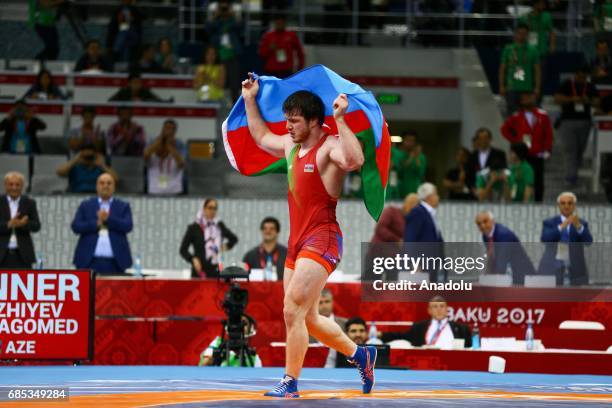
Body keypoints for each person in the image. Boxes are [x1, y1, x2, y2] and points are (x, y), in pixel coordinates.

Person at [240, 73, 376, 398]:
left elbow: (355, 160)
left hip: (323, 238)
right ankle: (361, 355)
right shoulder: (291, 145)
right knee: (309, 318)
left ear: (315, 121)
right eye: (286, 120)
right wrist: (249, 98)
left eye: (294, 121)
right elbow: (259, 136)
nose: (287, 127)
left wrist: (341, 119)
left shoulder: (329, 147)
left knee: (291, 311)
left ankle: (290, 383)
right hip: (298, 243)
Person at [71, 173, 133, 275]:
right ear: (97, 186)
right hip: (89, 260)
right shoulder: (86, 205)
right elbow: (76, 226)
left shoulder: (123, 206)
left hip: (116, 262)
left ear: (114, 187)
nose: (105, 186)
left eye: (109, 183)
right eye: (102, 183)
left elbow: (128, 226)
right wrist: (96, 224)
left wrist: (108, 219)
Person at [501, 92, 553, 202]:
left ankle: (538, 202)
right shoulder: (516, 116)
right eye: (525, 98)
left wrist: (547, 149)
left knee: (538, 180)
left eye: (530, 97)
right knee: (519, 177)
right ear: (521, 101)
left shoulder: (542, 115)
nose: (528, 100)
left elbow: (548, 134)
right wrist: (516, 142)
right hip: (522, 153)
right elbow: (504, 130)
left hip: (537, 153)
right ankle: (518, 200)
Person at [554, 66, 599, 186]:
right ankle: (570, 177)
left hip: (584, 122)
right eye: (579, 76)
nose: (581, 78)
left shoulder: (589, 87)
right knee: (570, 149)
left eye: (583, 77)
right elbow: (557, 98)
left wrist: (587, 100)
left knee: (580, 149)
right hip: (567, 121)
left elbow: (597, 101)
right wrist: (572, 99)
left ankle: (574, 171)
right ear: (575, 75)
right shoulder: (567, 84)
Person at [538, 192, 593, 286]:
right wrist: (562, 226)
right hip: (552, 267)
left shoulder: (582, 223)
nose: (566, 206)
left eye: (569, 203)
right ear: (558, 205)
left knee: (578, 298)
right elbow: (545, 238)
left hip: (576, 269)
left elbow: (588, 242)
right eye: (563, 203)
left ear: (574, 206)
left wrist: (579, 227)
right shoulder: (549, 222)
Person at [380, 296, 472, 349]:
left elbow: (469, 349)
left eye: (442, 306)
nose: (439, 309)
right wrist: (381, 335)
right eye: (435, 306)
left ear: (447, 309)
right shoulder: (419, 327)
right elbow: (402, 336)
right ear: (429, 310)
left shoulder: (461, 329)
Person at [179, 199, 238, 278]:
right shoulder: (194, 227)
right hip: (199, 270)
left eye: (215, 208)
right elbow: (183, 250)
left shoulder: (219, 226)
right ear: (203, 208)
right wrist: (193, 259)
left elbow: (234, 239)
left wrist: (224, 247)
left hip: (216, 270)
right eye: (210, 208)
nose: (212, 211)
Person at [367, 193, 419, 281]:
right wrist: (397, 240)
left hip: (394, 260)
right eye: (413, 204)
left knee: (391, 287)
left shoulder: (411, 221)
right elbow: (380, 228)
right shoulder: (391, 211)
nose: (414, 208)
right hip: (377, 254)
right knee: (370, 284)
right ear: (407, 203)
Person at [475, 211, 535, 285]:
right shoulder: (485, 236)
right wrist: (486, 276)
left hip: (523, 276)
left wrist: (489, 280)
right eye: (479, 224)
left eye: (485, 221)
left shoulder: (503, 234)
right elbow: (491, 257)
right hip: (509, 275)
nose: (482, 226)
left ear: (493, 221)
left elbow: (501, 262)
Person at [404, 183, 444, 282]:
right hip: (422, 265)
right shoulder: (418, 212)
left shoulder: (430, 214)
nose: (438, 197)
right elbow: (410, 239)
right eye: (436, 194)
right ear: (429, 197)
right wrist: (414, 263)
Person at [0, 172, 41, 269]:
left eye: (17, 185)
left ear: (22, 186)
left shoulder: (29, 203)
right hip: (2, 254)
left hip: (23, 255)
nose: (14, 188)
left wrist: (23, 224)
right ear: (5, 185)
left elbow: (36, 226)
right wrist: (8, 224)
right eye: (11, 184)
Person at [499, 23, 541, 116]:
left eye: (524, 34)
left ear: (527, 35)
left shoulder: (533, 50)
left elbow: (537, 71)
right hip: (511, 87)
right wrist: (502, 86)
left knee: (527, 115)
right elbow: (502, 69)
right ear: (515, 34)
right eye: (519, 33)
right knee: (512, 115)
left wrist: (537, 88)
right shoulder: (508, 49)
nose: (521, 36)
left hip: (527, 88)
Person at [207, 0, 244, 101]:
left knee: (234, 82)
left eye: (226, 8)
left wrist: (235, 15)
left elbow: (241, 28)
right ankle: (215, 101)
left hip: (232, 55)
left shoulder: (233, 20)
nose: (224, 10)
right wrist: (215, 15)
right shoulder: (217, 21)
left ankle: (233, 105)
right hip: (218, 55)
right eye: (222, 8)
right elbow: (208, 29)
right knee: (217, 80)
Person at [144, 119, 186, 195]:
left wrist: (169, 145)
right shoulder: (153, 142)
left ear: (175, 131)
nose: (168, 131)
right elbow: (145, 156)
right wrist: (160, 141)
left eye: (171, 129)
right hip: (154, 189)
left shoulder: (180, 145)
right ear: (162, 129)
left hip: (174, 189)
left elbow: (182, 163)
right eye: (166, 128)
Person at [258, 14, 305, 78]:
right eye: (277, 23)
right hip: (272, 70)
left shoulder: (291, 35)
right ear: (275, 24)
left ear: (284, 23)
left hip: (287, 69)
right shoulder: (268, 36)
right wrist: (270, 48)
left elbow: (300, 52)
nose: (279, 25)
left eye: (281, 23)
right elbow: (261, 54)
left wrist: (300, 67)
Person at [465, 127, 507, 197]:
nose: (483, 141)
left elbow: (503, 170)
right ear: (477, 140)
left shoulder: (499, 154)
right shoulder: (472, 156)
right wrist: (473, 189)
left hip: (494, 191)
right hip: (476, 193)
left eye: (485, 138)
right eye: (480, 138)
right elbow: (468, 176)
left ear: (490, 139)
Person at [242, 216, 287, 280]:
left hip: (281, 289)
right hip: (256, 289)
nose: (268, 231)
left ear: (277, 232)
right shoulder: (250, 255)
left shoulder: (287, 255)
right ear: (261, 231)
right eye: (265, 228)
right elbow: (243, 278)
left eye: (272, 229)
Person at [519, 0, 555, 69]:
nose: (544, 6)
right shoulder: (524, 17)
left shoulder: (547, 16)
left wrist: (552, 45)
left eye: (544, 4)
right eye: (542, 4)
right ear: (535, 4)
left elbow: (552, 32)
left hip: (541, 52)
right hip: (525, 52)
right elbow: (518, 34)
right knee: (521, 75)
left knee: (540, 75)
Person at [394, 130, 427, 197]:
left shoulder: (421, 157)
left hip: (416, 190)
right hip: (401, 191)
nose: (410, 143)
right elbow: (399, 173)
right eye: (407, 140)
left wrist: (416, 157)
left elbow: (421, 173)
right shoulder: (399, 155)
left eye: (412, 141)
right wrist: (411, 157)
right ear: (403, 140)